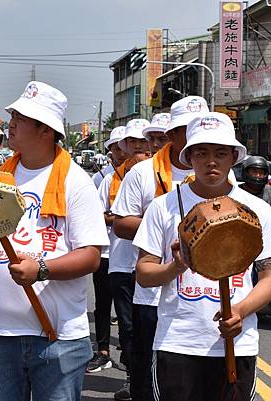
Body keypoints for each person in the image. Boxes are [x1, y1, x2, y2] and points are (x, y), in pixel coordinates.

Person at [0, 81, 110, 400]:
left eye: (21, 117)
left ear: (45, 130)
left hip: (58, 339)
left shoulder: (76, 182)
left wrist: (41, 269)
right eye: (13, 114)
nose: (11, 122)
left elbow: (91, 256)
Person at [134, 112, 271, 401]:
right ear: (189, 157)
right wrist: (174, 268)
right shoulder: (163, 206)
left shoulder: (257, 209)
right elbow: (144, 273)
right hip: (178, 343)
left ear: (233, 157)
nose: (211, 161)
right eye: (201, 153)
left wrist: (240, 310)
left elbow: (270, 277)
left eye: (220, 153)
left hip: (236, 345)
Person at [111, 95, 209, 401]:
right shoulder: (142, 172)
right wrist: (164, 231)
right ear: (172, 135)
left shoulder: (218, 170)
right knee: (148, 373)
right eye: (188, 128)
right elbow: (120, 223)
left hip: (203, 291)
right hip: (154, 292)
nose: (196, 134)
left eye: (200, 125)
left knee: (197, 376)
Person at [102, 117, 150, 401]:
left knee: (152, 327)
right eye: (133, 142)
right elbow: (108, 217)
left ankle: (152, 381)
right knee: (129, 327)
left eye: (144, 141)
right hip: (121, 261)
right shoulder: (112, 178)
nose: (139, 146)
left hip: (157, 266)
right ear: (125, 146)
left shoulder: (159, 174)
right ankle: (135, 380)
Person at [87, 126, 128, 374]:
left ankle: (128, 350)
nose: (121, 151)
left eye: (125, 146)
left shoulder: (143, 173)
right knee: (103, 304)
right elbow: (95, 214)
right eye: (116, 147)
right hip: (105, 251)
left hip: (129, 253)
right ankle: (103, 351)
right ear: (110, 150)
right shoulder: (101, 178)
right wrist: (119, 219)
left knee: (128, 309)